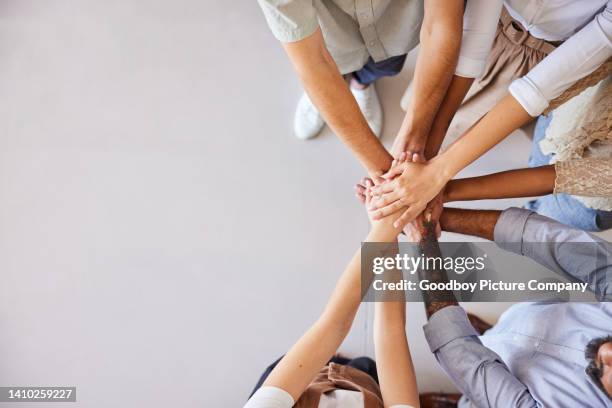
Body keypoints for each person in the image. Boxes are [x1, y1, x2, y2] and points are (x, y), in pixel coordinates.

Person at [367, 2, 612, 227]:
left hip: (560, 55)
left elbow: (538, 89)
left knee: (533, 142)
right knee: (437, 121)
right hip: (488, 25)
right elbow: (474, 34)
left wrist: (436, 179)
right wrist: (420, 157)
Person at [256, 0, 502, 181]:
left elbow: (440, 25)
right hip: (330, 37)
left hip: (394, 30)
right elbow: (314, 62)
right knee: (328, 69)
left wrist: (414, 136)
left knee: (384, 66)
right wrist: (382, 171)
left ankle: (362, 84)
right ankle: (324, 96)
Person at [417, 206, 612, 407]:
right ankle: (493, 332)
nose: (609, 351)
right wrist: (435, 215)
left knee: (476, 389)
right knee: (526, 311)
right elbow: (559, 241)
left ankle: (462, 401)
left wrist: (423, 237)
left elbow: (458, 351)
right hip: (529, 316)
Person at [244, 189, 420, 408]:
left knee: (288, 365)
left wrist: (385, 223)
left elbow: (334, 323)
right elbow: (390, 330)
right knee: (365, 366)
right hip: (362, 381)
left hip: (301, 386)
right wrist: (390, 225)